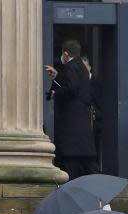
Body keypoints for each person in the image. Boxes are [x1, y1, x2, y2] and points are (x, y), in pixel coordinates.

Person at [45, 40, 98, 180]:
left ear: (66, 54)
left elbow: (71, 88)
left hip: (72, 127)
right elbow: (73, 83)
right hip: (80, 130)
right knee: (88, 166)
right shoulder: (80, 65)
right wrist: (57, 76)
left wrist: (56, 94)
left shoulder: (70, 67)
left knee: (71, 168)